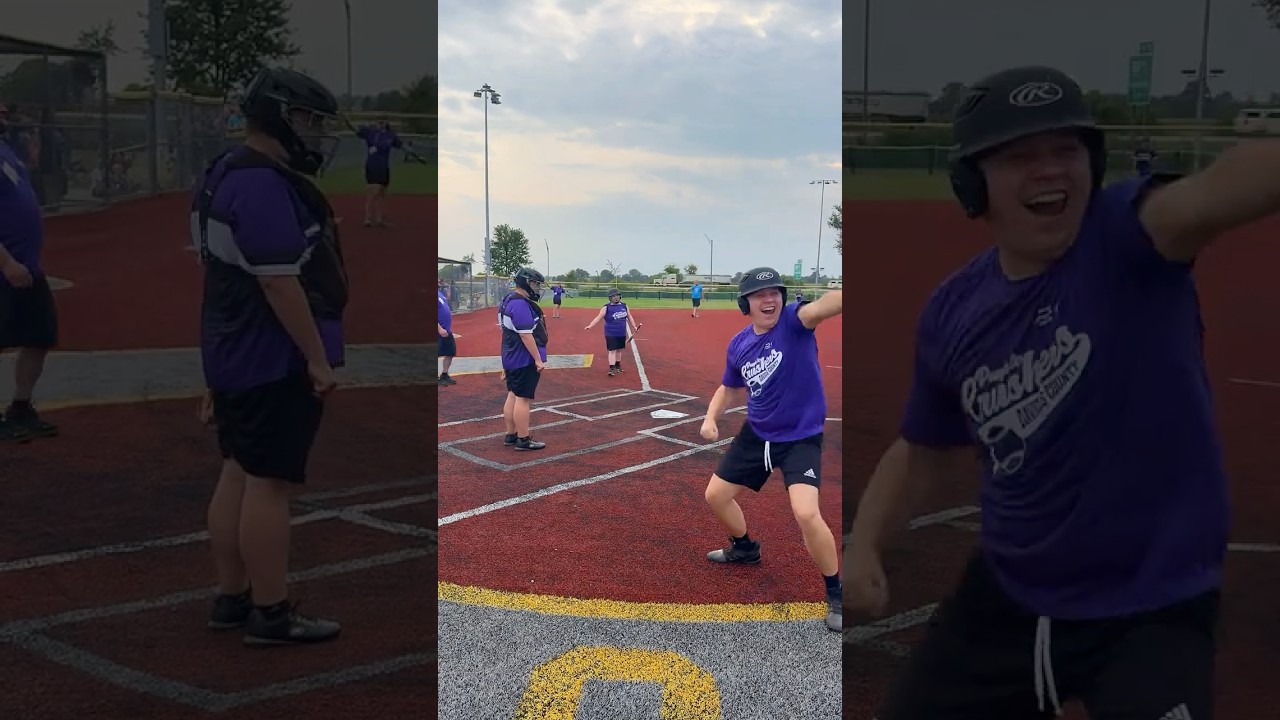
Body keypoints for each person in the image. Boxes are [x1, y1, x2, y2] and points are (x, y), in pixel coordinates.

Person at [846, 65, 1277, 719]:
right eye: (1020, 156)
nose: (1049, 170)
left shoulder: (1127, 240)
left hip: (1151, 607)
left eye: (1065, 150)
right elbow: (922, 450)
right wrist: (865, 544)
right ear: (973, 184)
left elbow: (1212, 194)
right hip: (1007, 600)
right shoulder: (954, 311)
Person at [191, 67, 348, 647]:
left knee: (238, 470)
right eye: (309, 119)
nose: (316, 133)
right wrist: (315, 357)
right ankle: (270, 609)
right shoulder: (260, 183)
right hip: (268, 352)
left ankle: (232, 597)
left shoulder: (222, 173)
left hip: (234, 348)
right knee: (269, 483)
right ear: (282, 115)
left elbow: (221, 277)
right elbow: (280, 282)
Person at [699, 268, 843, 632]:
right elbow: (729, 388)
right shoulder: (739, 344)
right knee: (716, 495)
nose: (769, 299)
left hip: (800, 438)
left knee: (807, 514)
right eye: (759, 294)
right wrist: (711, 418)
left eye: (775, 292)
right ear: (744, 303)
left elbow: (825, 306)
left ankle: (837, 592)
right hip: (757, 434)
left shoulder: (795, 321)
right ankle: (744, 548)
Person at [0, 102, 59, 443]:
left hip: (27, 268)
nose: (4, 112)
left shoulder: (6, 150)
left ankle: (20, 407)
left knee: (39, 337)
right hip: (6, 268)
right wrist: (6, 263)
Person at [498, 267, 548, 451]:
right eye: (535, 283)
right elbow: (526, 335)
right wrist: (537, 359)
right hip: (522, 357)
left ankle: (511, 435)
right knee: (523, 398)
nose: (537, 287)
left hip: (511, 355)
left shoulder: (507, 300)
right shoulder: (519, 304)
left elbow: (505, 332)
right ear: (526, 282)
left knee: (513, 394)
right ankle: (523, 439)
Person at [356, 115, 403, 227]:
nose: (381, 123)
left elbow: (399, 144)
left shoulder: (390, 135)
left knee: (382, 193)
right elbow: (357, 131)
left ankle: (379, 219)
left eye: (383, 121)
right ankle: (367, 218)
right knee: (373, 192)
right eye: (379, 121)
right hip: (373, 166)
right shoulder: (371, 133)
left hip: (384, 166)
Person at [584, 288, 641, 377]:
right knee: (612, 350)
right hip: (611, 332)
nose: (615, 297)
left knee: (619, 350)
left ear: (620, 296)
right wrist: (590, 325)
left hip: (621, 332)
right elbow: (598, 317)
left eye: (617, 295)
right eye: (613, 296)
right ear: (610, 298)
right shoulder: (606, 307)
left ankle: (618, 366)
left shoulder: (624, 306)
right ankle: (611, 368)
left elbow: (630, 317)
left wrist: (634, 326)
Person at [438, 280, 457, 386]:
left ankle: (444, 375)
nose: (439, 281)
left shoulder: (439, 294)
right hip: (439, 331)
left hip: (447, 331)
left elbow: (447, 299)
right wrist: (440, 329)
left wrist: (448, 289)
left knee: (450, 352)